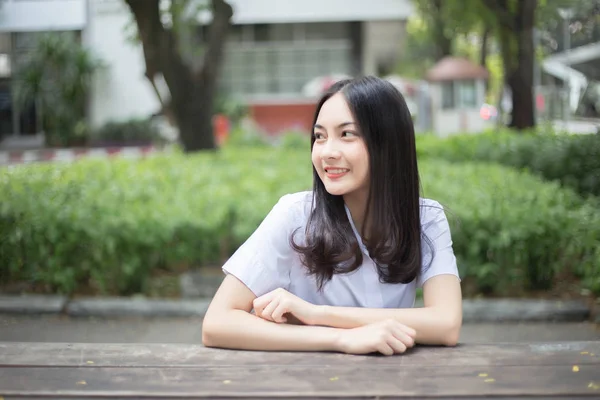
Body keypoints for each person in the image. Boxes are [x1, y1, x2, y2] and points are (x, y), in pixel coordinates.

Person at [202, 76, 462, 355]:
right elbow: (217, 323)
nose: (327, 152)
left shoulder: (425, 219)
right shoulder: (296, 216)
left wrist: (317, 314)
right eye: (319, 136)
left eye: (346, 134)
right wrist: (339, 339)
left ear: (388, 143)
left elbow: (446, 324)